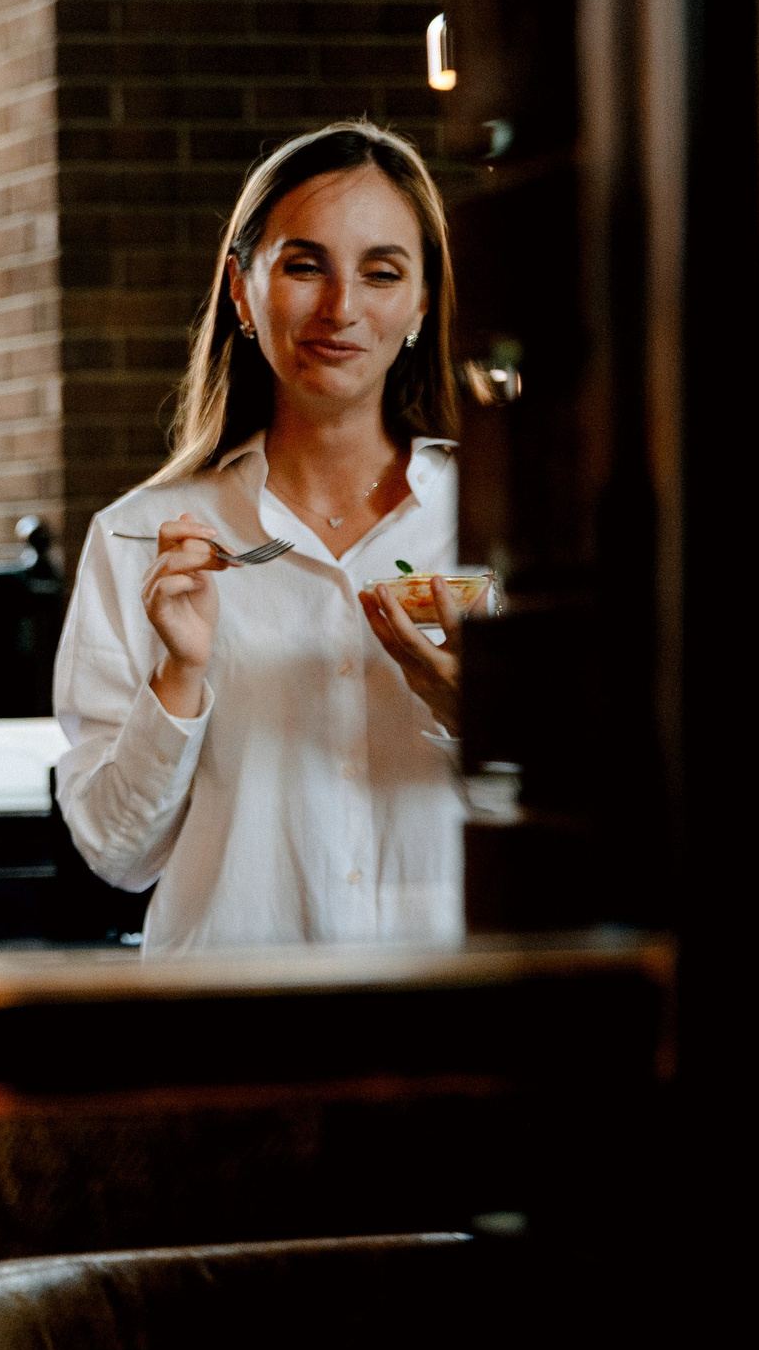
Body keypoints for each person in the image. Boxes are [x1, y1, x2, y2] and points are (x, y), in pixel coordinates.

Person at [53, 121, 474, 953]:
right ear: (243, 291)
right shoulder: (141, 538)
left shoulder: (495, 523)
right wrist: (180, 673)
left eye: (381, 272)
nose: (342, 307)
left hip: (446, 1020)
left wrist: (477, 711)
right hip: (230, 1033)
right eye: (304, 265)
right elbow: (115, 851)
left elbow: (601, 818)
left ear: (422, 301)